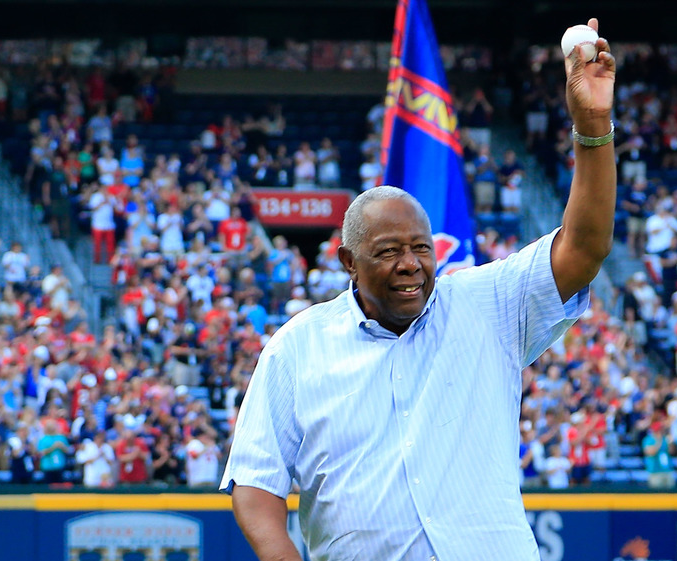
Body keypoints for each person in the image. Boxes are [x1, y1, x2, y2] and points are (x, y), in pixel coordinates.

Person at [221, 18, 616, 561]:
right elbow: (255, 484)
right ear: (347, 263)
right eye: (388, 252)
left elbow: (586, 248)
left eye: (421, 248)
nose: (410, 265)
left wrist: (592, 127)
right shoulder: (297, 347)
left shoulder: (486, 304)